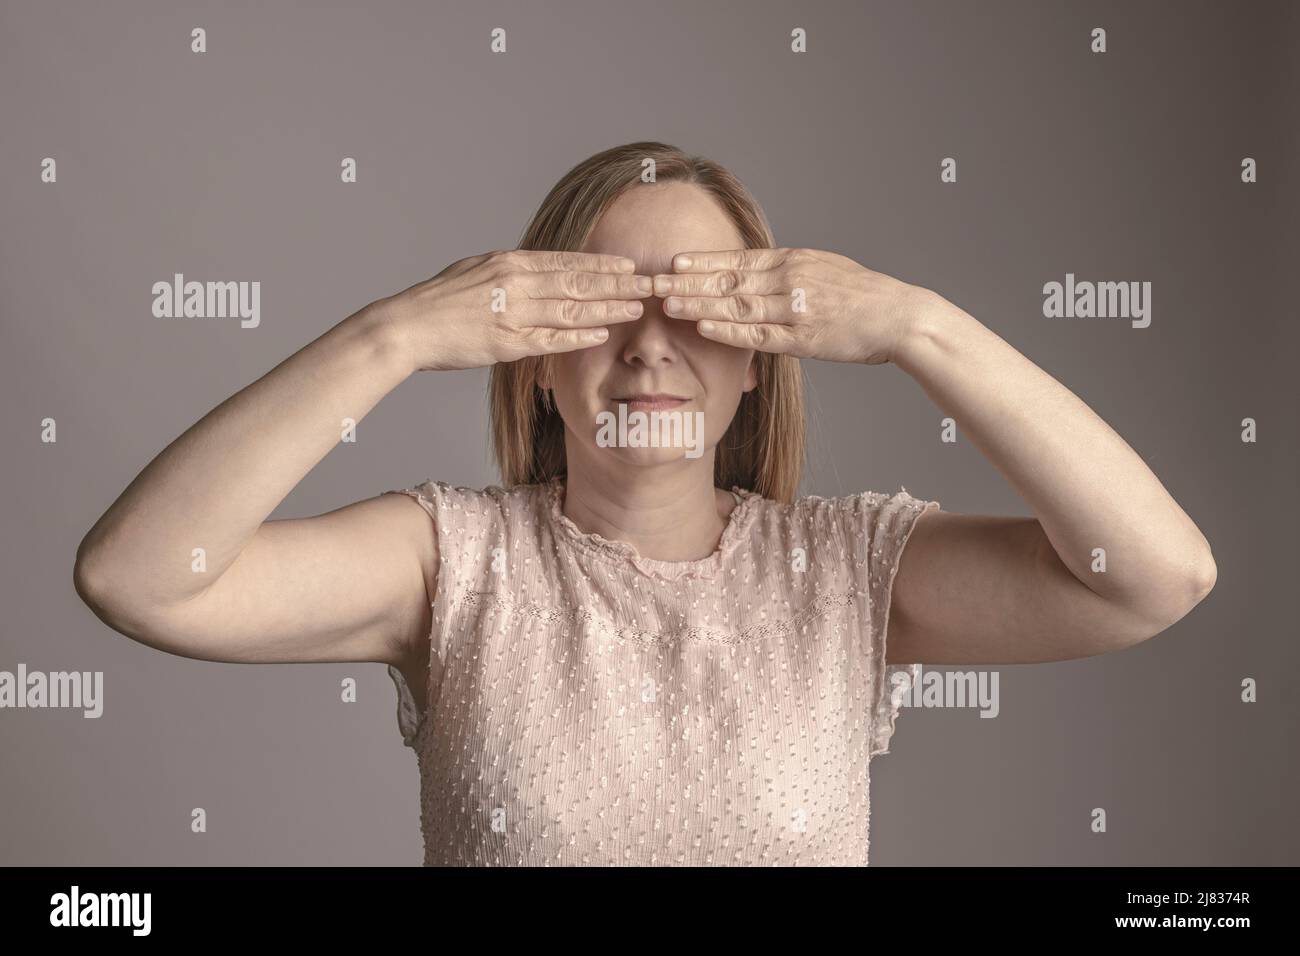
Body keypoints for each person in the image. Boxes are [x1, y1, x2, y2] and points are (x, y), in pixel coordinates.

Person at [73, 141, 1217, 866]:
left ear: (764, 353)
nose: (651, 348)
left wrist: (920, 326)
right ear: (534, 353)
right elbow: (137, 577)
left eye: (705, 306)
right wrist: (399, 331)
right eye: (605, 303)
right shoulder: (449, 560)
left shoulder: (851, 568)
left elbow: (1157, 575)